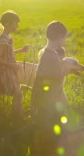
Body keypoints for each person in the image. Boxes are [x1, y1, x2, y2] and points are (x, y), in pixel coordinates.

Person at [30, 20, 68, 155]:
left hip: (48, 103)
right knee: (47, 134)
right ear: (60, 37)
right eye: (64, 38)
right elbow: (45, 82)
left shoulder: (49, 54)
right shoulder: (50, 57)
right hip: (47, 104)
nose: (64, 41)